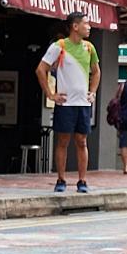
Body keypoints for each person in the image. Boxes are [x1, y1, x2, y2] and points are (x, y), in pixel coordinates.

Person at [36, 11, 100, 195]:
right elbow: (41, 70)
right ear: (75, 26)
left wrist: (93, 92)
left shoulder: (89, 48)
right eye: (86, 24)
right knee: (63, 141)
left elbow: (96, 72)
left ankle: (82, 181)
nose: (89, 27)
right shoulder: (60, 46)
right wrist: (50, 94)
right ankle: (61, 179)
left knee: (82, 141)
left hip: (83, 104)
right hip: (65, 103)